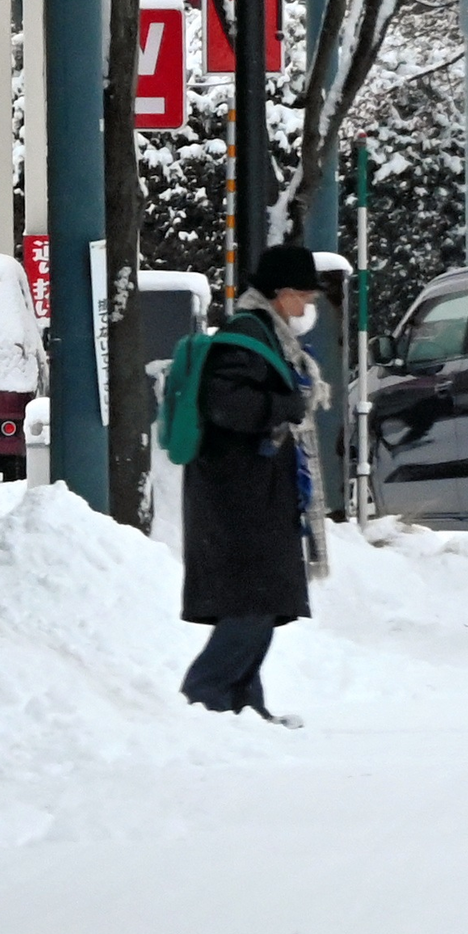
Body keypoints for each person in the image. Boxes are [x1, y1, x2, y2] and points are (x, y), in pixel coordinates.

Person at [178, 243, 323, 720]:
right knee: (253, 601)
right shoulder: (247, 335)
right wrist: (287, 405)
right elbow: (227, 405)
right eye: (305, 297)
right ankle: (205, 695)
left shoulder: (265, 333)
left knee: (258, 600)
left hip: (250, 491)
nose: (308, 309)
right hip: (237, 495)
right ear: (281, 293)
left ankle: (243, 706)